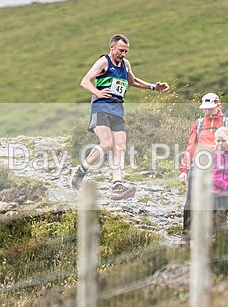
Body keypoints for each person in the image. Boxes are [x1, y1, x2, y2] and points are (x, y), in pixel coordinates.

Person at [70, 34, 169, 199]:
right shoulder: (104, 62)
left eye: (126, 52)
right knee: (107, 144)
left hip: (117, 109)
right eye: (121, 50)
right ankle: (80, 171)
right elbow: (85, 81)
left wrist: (153, 87)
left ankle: (117, 185)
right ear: (112, 47)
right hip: (101, 107)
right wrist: (97, 92)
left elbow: (133, 81)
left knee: (120, 147)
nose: (123, 54)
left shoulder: (125, 64)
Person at [178, 92, 228, 242]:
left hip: (220, 170)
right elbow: (190, 148)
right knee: (191, 200)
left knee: (218, 201)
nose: (206, 111)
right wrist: (183, 170)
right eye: (204, 108)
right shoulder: (199, 124)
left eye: (209, 108)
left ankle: (217, 236)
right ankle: (186, 235)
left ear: (218, 105)